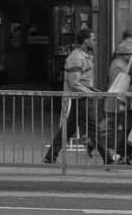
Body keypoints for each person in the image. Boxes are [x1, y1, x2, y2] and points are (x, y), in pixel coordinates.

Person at [43, 28, 115, 165]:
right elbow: (73, 82)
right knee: (92, 128)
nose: (95, 42)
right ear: (86, 41)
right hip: (81, 99)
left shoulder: (82, 56)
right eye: (93, 39)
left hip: (81, 98)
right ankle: (108, 158)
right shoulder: (77, 57)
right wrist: (91, 93)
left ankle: (50, 155)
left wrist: (93, 90)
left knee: (68, 129)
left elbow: (81, 80)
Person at [100, 38, 132, 163]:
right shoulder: (118, 65)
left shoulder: (120, 64)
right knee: (123, 128)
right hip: (117, 102)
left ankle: (126, 154)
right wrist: (122, 103)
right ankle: (123, 153)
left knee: (116, 128)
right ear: (124, 55)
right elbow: (120, 86)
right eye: (131, 54)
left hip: (118, 101)